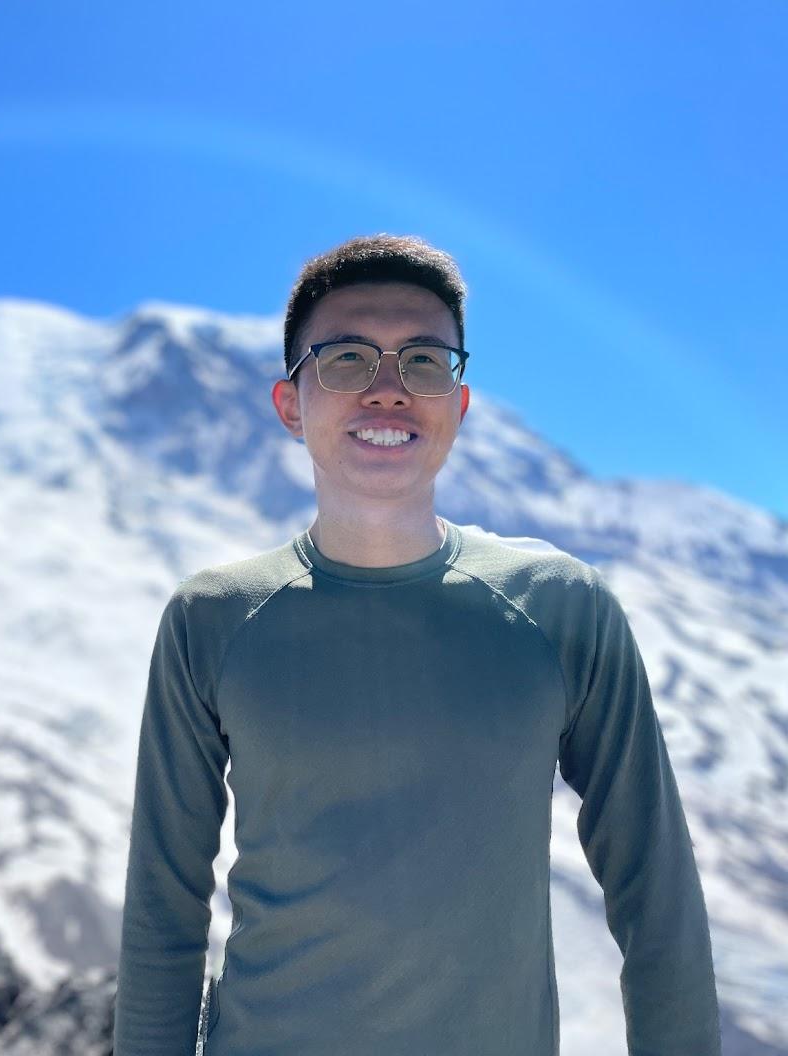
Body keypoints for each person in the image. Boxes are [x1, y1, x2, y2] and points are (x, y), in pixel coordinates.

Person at [111, 234, 722, 1055]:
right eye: (346, 360)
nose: (389, 390)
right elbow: (163, 911)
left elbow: (658, 896)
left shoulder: (561, 608)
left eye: (425, 361)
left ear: (460, 406)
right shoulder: (212, 618)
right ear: (291, 404)